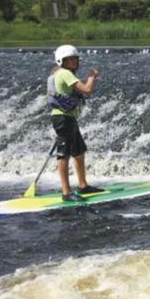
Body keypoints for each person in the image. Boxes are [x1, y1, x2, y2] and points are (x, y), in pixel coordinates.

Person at [48, 44, 102, 202]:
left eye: (74, 59)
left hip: (67, 118)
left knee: (78, 151)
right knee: (63, 154)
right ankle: (66, 192)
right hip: (63, 118)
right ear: (61, 61)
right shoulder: (65, 73)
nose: (73, 62)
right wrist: (92, 76)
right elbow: (87, 90)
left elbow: (77, 90)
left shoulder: (61, 74)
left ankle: (83, 185)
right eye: (69, 59)